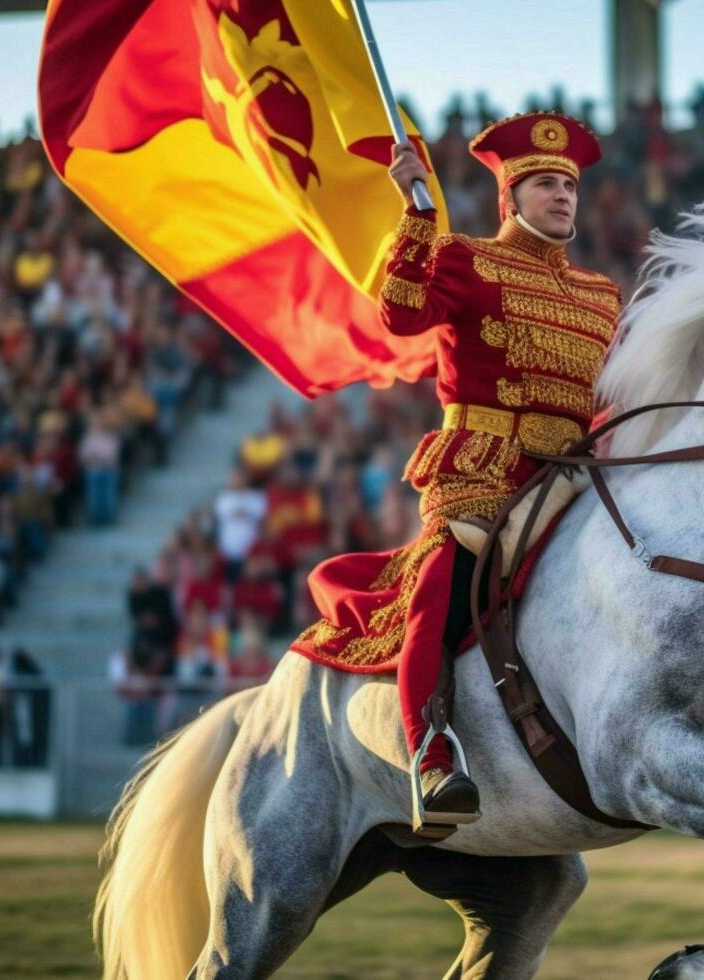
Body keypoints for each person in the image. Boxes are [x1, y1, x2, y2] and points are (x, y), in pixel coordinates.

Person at [288, 112, 620, 832]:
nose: (561, 195)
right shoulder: (466, 258)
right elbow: (401, 313)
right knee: (439, 590)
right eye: (543, 184)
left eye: (568, 184)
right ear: (510, 199)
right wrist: (416, 214)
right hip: (483, 472)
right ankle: (431, 755)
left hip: (574, 479)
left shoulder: (602, 295)